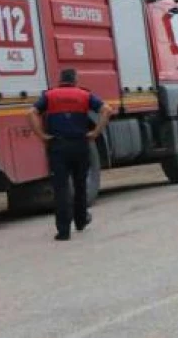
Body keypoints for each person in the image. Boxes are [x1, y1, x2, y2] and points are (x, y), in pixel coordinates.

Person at [29, 68, 112, 240]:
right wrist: (96, 132)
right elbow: (107, 110)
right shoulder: (84, 95)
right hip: (80, 145)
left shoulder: (49, 96)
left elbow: (31, 113)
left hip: (58, 146)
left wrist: (42, 135)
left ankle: (63, 231)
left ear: (60, 79)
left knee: (61, 188)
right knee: (80, 184)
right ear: (75, 80)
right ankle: (81, 220)